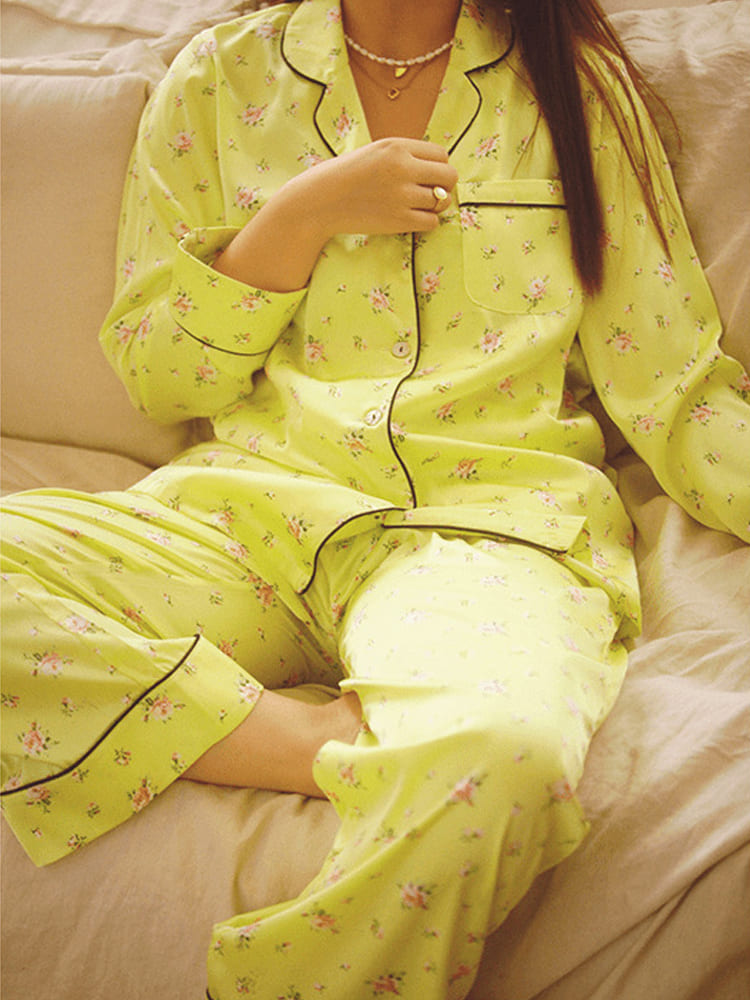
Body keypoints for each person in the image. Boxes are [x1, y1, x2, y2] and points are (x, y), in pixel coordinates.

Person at [2, 0, 748, 996]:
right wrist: (296, 220)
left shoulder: (577, 92)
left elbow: (675, 389)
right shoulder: (219, 79)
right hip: (248, 518)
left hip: (485, 535)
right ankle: (313, 741)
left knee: (503, 758)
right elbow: (163, 377)